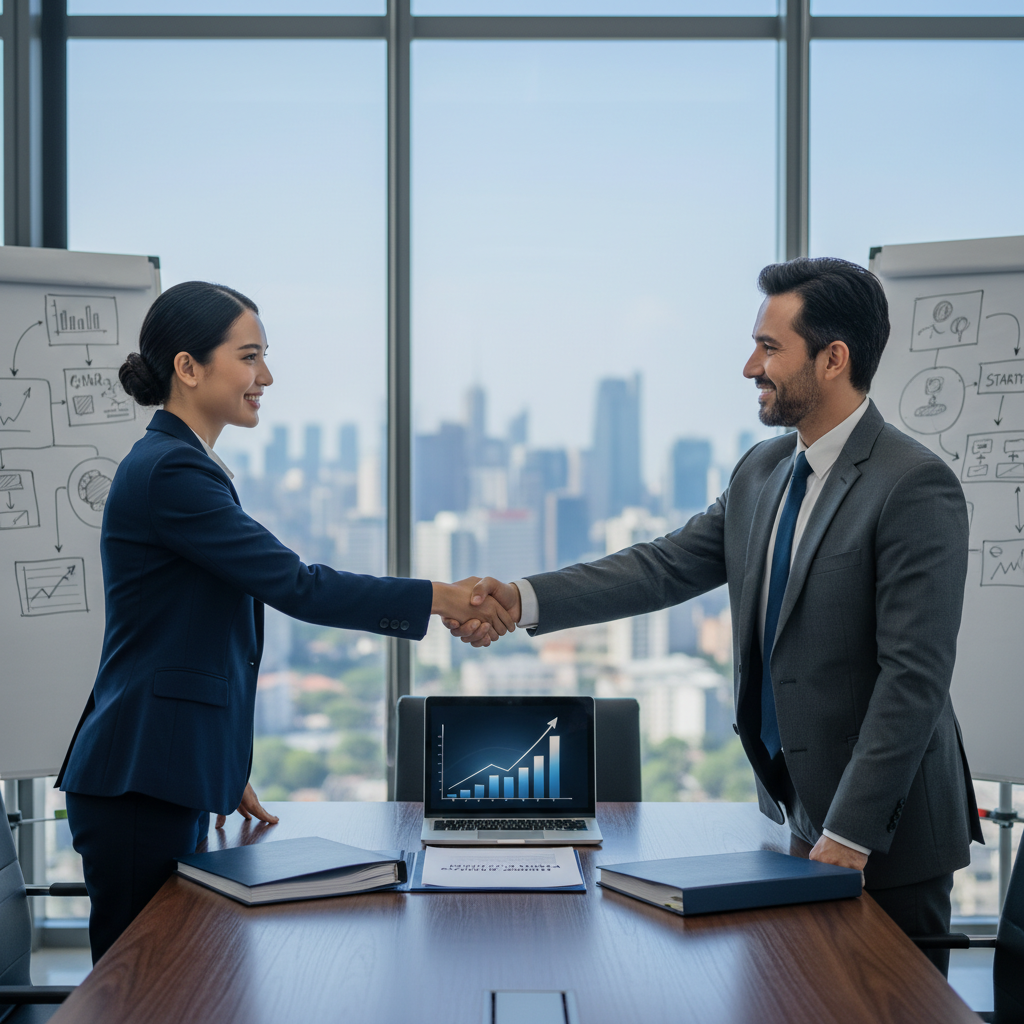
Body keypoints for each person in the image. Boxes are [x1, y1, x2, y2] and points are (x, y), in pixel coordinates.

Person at [450, 257, 983, 975]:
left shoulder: (913, 485)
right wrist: (521, 599)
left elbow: (913, 678)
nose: (749, 367)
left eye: (769, 348)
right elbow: (662, 566)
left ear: (833, 359)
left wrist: (851, 833)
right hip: (799, 818)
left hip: (883, 837)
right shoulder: (762, 471)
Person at [57, 281, 513, 963]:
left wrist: (212, 758)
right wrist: (443, 598)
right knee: (140, 990)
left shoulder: (179, 463)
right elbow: (297, 585)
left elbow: (180, 637)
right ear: (188, 367)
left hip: (159, 771)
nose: (265, 377)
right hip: (139, 782)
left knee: (180, 980)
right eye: (249, 358)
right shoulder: (172, 472)